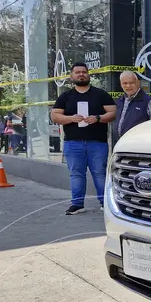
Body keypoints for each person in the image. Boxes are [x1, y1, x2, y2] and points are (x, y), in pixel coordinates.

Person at [51, 62, 116, 215]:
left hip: (97, 143)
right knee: (76, 174)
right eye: (77, 72)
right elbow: (54, 116)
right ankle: (77, 204)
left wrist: (98, 118)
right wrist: (71, 118)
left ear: (88, 74)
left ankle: (104, 203)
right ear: (71, 76)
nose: (81, 74)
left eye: (84, 72)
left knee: (99, 173)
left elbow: (113, 113)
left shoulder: (100, 94)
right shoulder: (66, 96)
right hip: (73, 143)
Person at [114, 71, 151, 143]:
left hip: (139, 146)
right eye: (125, 83)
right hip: (121, 144)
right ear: (121, 84)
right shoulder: (120, 100)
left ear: (138, 83)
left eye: (131, 83)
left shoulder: (148, 101)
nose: (128, 86)